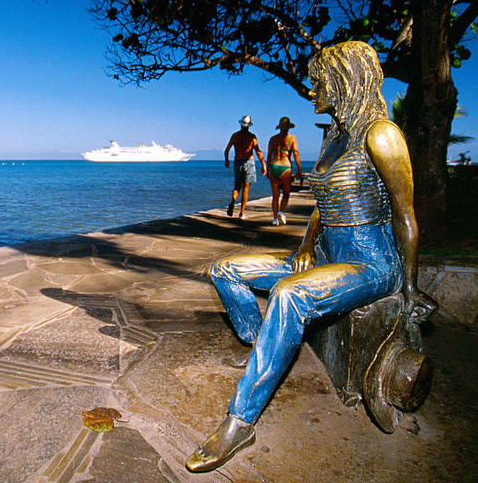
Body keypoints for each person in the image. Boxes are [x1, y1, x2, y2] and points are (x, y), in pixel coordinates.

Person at [186, 41, 438, 473]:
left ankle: (239, 421)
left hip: (371, 263)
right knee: (224, 269)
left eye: (319, 79)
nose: (312, 87)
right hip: (325, 256)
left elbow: (406, 214)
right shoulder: (335, 137)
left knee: (288, 295)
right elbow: (324, 204)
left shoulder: (381, 134)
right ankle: (258, 348)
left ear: (343, 81)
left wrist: (409, 286)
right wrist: (304, 247)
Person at [224, 115, 266, 220]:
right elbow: (258, 152)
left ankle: (233, 201)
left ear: (241, 124)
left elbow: (227, 150)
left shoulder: (235, 136)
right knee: (245, 189)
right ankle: (242, 213)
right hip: (249, 162)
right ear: (249, 125)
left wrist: (227, 160)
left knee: (237, 187)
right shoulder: (252, 137)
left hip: (238, 162)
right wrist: (263, 165)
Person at [266, 117, 302, 225]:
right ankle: (281, 212)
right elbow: (295, 153)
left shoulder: (273, 139)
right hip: (285, 167)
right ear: (288, 127)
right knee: (286, 194)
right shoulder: (292, 138)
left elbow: (269, 156)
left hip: (274, 165)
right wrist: (299, 169)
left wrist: (268, 169)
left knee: (275, 196)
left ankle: (275, 219)